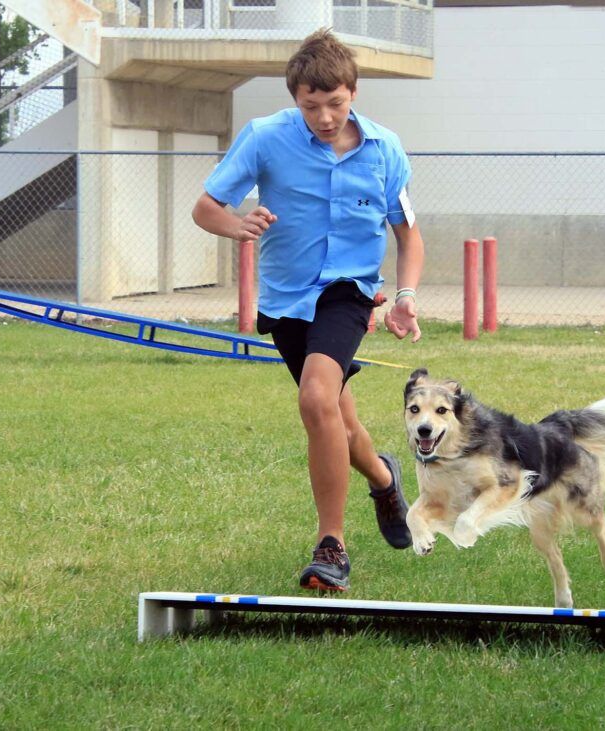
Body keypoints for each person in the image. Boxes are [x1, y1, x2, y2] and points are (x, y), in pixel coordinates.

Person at [191, 29, 425, 591]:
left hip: (349, 292)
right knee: (337, 419)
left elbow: (408, 236)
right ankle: (383, 478)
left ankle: (331, 546)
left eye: (335, 104)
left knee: (317, 399)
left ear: (353, 93)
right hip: (287, 297)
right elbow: (205, 208)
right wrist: (237, 225)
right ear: (295, 98)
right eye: (310, 105)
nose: (324, 117)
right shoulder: (265, 137)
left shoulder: (385, 149)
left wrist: (406, 297)